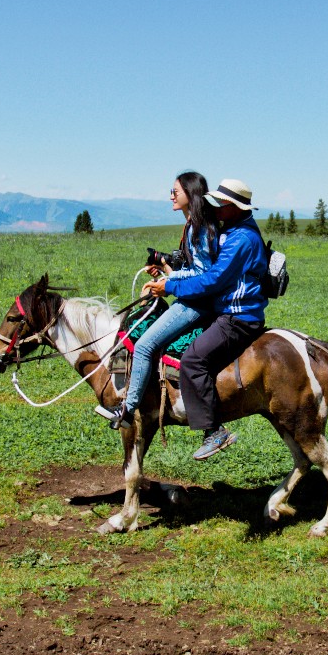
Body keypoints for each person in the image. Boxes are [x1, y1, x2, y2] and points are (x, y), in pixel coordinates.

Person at [102, 172, 219, 429]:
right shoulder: (194, 224)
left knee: (144, 346)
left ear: (191, 193)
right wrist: (166, 274)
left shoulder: (199, 228)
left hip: (196, 304)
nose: (171, 195)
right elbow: (194, 270)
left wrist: (168, 284)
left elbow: (203, 274)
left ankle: (128, 409)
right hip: (192, 298)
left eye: (175, 191)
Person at [165, 178, 268, 460]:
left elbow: (213, 280)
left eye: (220, 204)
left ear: (234, 206)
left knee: (193, 360)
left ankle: (213, 432)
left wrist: (170, 286)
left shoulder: (241, 239)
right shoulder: (234, 230)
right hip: (231, 312)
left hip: (238, 317)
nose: (215, 208)